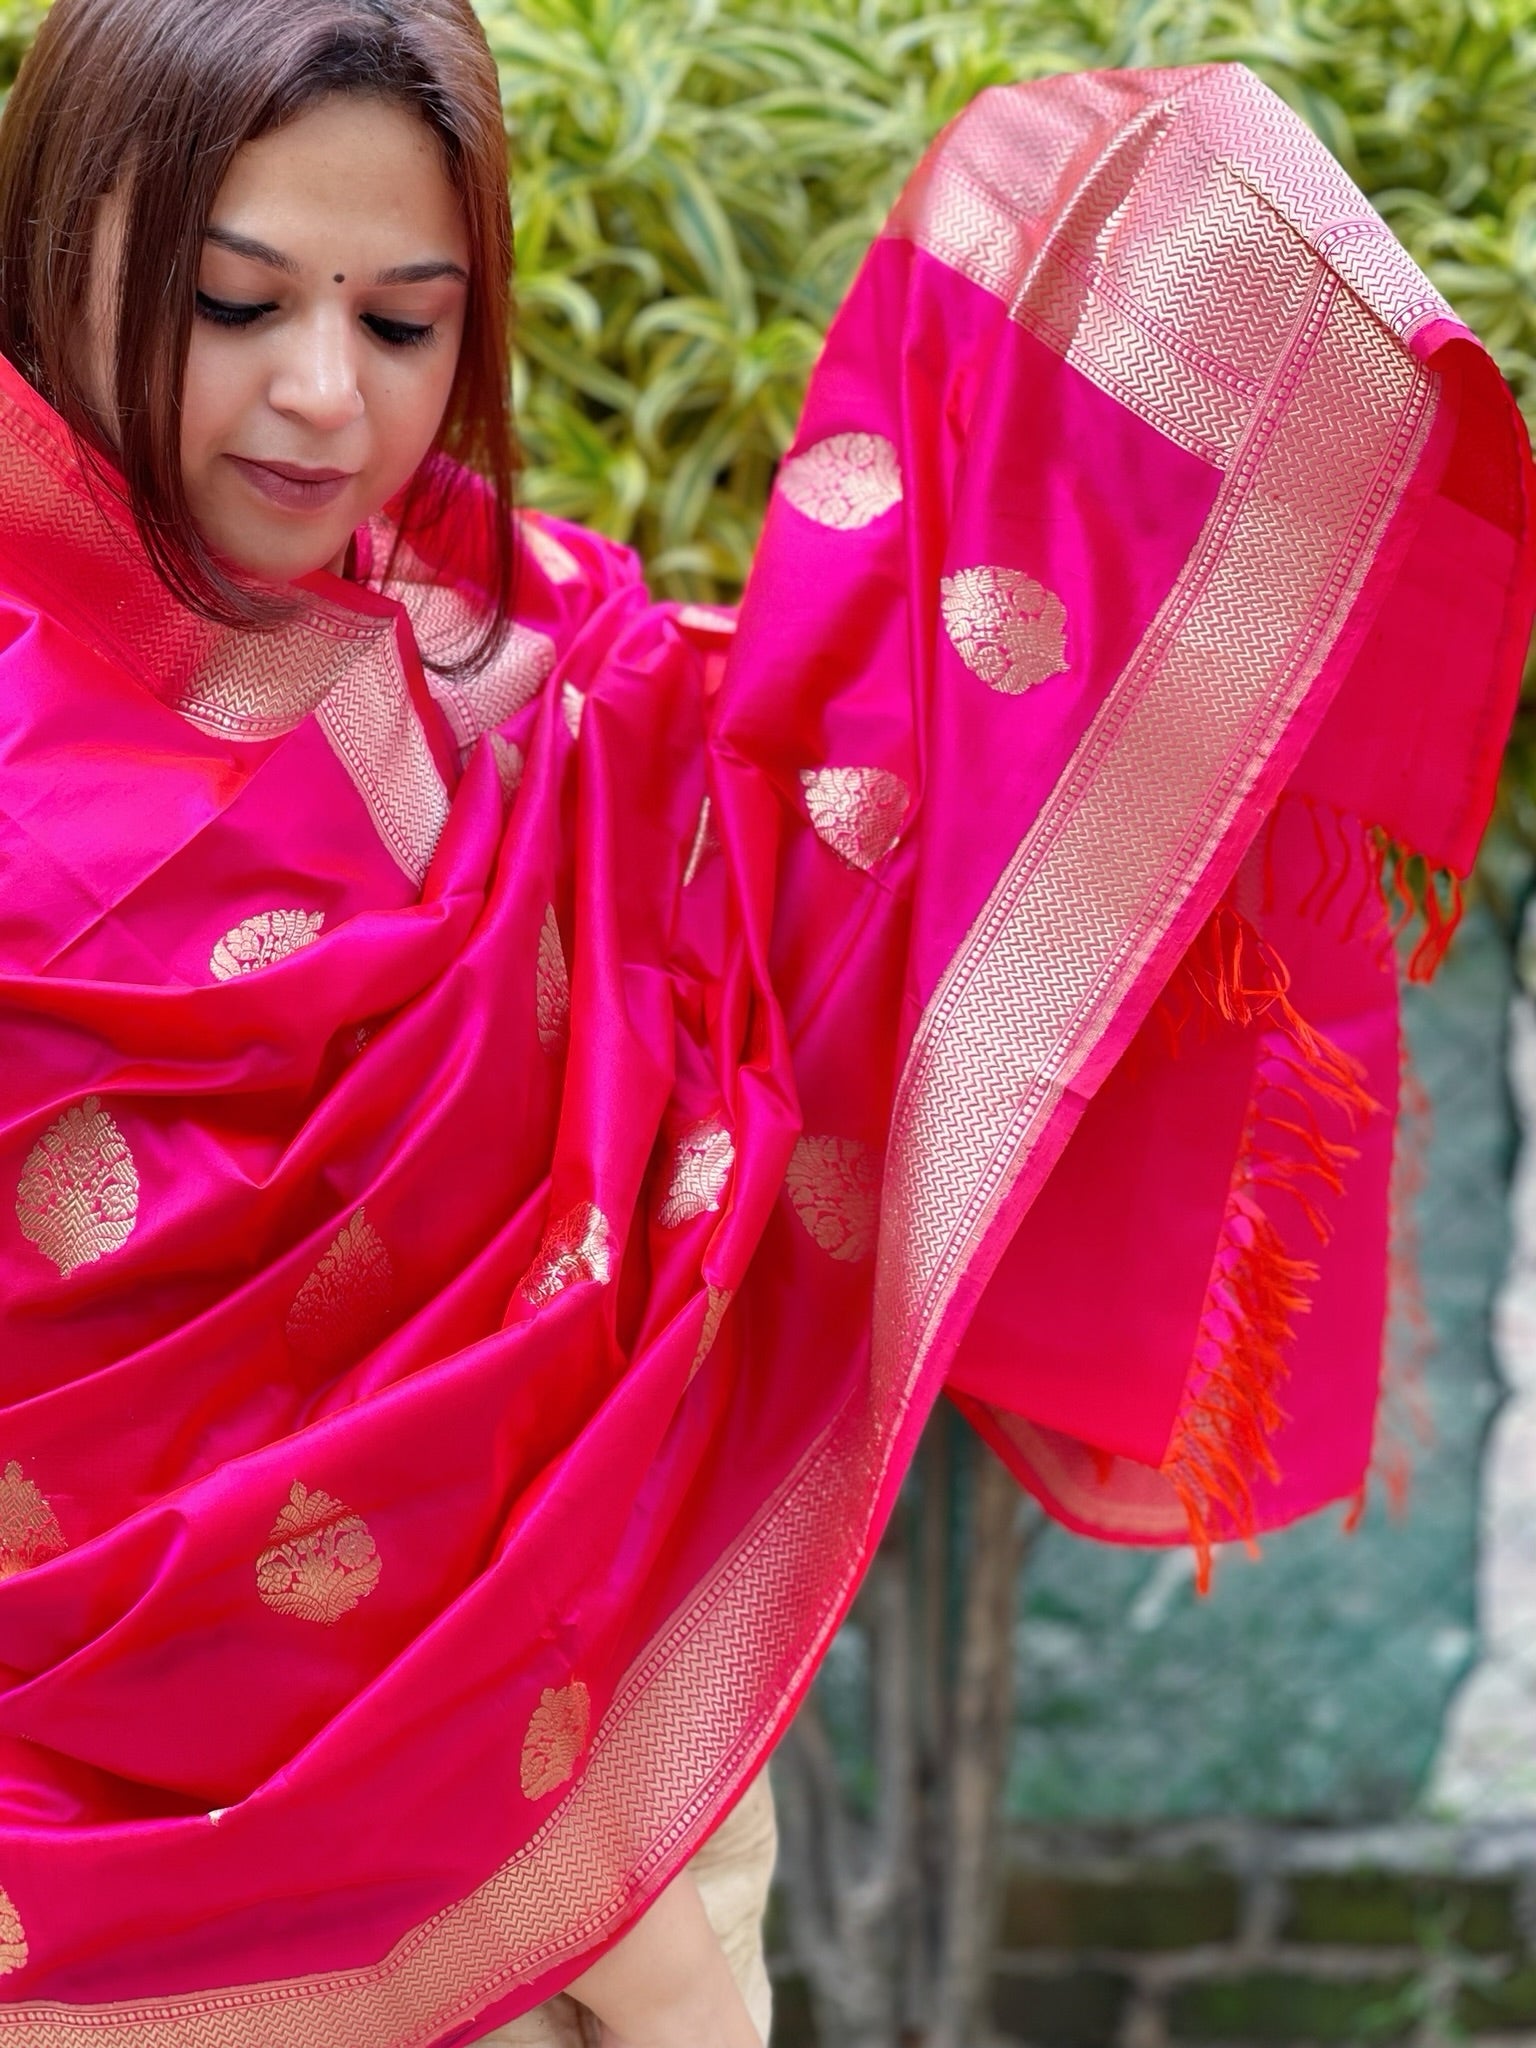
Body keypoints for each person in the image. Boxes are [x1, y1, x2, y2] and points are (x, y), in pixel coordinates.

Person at [0, 3, 1528, 2045]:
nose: (320, 400)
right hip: (83, 1912)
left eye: (403, 325)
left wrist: (1167, 418)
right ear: (58, 250)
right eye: (232, 300)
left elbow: (842, 820)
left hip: (593, 1838)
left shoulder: (532, 666)